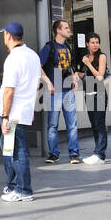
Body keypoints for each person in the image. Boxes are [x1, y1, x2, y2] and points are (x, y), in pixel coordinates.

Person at [0, 22, 42, 204]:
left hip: (13, 111)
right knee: (9, 147)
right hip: (24, 109)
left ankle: (23, 189)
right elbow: (36, 83)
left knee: (17, 151)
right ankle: (14, 185)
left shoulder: (12, 58)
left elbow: (9, 90)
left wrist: (6, 116)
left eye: (4, 34)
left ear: (8, 35)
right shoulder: (32, 55)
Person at [39, 19, 82, 163]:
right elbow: (38, 66)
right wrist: (48, 82)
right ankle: (53, 154)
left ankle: (74, 154)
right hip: (54, 90)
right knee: (52, 125)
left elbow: (69, 66)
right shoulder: (49, 47)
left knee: (72, 124)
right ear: (58, 30)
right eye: (66, 28)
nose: (69, 30)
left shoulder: (68, 47)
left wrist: (74, 77)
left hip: (68, 89)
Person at [78, 34, 108, 165]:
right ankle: (98, 153)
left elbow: (100, 76)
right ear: (87, 44)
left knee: (100, 124)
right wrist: (77, 74)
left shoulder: (101, 56)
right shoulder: (86, 57)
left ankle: (100, 154)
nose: (95, 44)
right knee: (94, 125)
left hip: (99, 93)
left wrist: (88, 64)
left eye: (97, 42)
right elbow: (87, 75)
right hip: (89, 93)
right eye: (92, 42)